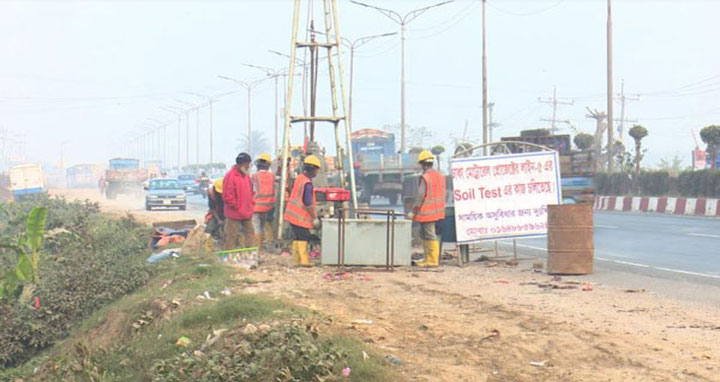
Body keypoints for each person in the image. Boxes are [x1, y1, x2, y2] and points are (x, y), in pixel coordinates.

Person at [408, 150, 446, 267]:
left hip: (427, 211)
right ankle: (427, 259)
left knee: (429, 234)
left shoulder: (426, 177)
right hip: (437, 210)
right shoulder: (439, 176)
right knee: (425, 234)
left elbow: (420, 196)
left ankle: (433, 261)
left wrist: (413, 211)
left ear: (424, 164)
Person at [284, 155, 321, 266]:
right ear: (313, 169)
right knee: (303, 238)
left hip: (292, 215)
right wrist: (315, 217)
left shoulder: (300, 178)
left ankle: (296, 261)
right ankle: (304, 262)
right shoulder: (307, 184)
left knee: (297, 237)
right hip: (300, 217)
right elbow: (308, 203)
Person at [222, 153, 255, 250]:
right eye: (247, 164)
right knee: (231, 236)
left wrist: (250, 205)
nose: (249, 166)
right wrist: (237, 206)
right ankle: (229, 257)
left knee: (250, 235)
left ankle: (250, 256)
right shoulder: (231, 176)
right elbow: (228, 196)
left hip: (247, 212)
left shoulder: (246, 176)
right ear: (242, 164)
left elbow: (250, 192)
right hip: (234, 213)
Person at [251, 153, 276, 246]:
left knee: (256, 228)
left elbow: (251, 190)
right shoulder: (272, 176)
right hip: (268, 207)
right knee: (265, 226)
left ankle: (258, 248)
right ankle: (269, 244)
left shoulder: (254, 176)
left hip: (255, 207)